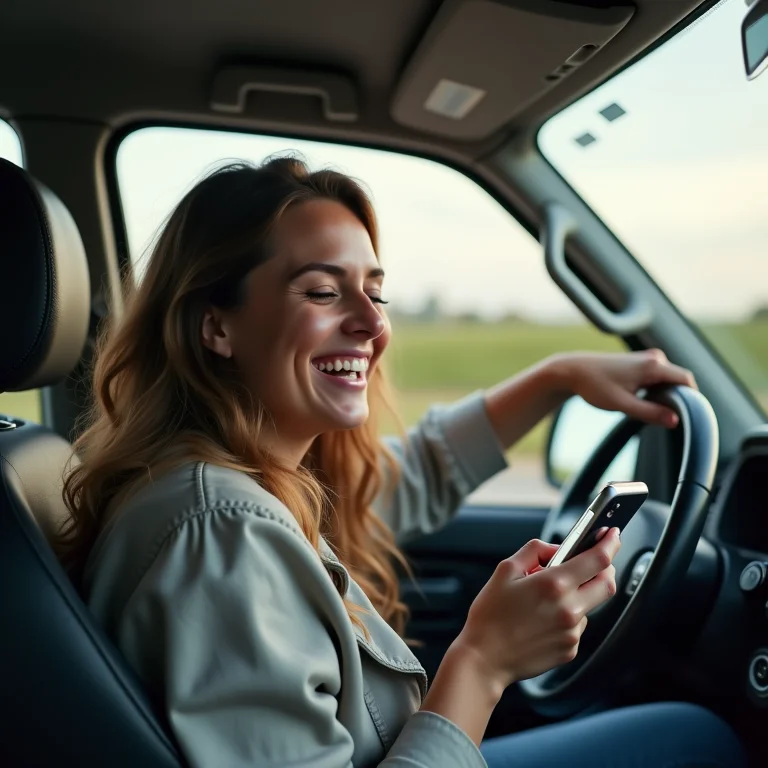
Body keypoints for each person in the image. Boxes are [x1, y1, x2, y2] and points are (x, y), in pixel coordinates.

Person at [58, 157, 746, 768]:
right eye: (322, 291)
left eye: (375, 292)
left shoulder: (260, 484)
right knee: (695, 741)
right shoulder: (220, 533)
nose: (373, 322)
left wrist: (557, 378)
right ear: (216, 325)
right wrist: (483, 662)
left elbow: (409, 475)